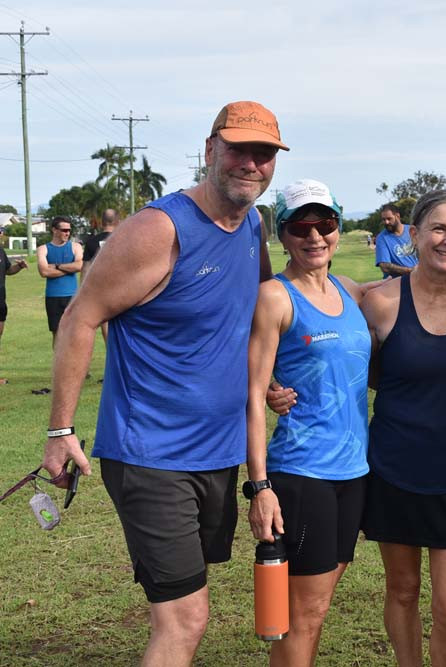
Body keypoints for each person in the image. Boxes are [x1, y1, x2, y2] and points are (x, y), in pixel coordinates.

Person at [40, 100, 287, 666]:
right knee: (184, 619)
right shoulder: (159, 229)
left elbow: (252, 309)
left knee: (184, 602)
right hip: (152, 454)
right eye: (239, 149)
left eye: (265, 153)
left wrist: (269, 380)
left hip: (217, 454)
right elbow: (81, 317)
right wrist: (60, 430)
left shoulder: (251, 225)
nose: (252, 164)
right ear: (209, 151)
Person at [361, 190, 446, 667]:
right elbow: (364, 372)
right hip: (393, 466)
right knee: (402, 590)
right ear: (415, 235)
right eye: (440, 229)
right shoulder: (379, 303)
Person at [246, 179, 369, 666]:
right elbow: (254, 396)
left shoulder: (350, 292)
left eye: (326, 224)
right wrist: (259, 487)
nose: (315, 236)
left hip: (353, 474)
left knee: (316, 611)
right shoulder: (275, 297)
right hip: (302, 474)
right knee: (303, 613)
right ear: (283, 234)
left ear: (338, 226)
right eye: (301, 226)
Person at [36, 216, 83, 345]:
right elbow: (44, 271)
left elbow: (79, 266)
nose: (67, 233)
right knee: (57, 333)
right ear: (54, 230)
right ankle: (59, 364)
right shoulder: (43, 249)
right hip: (53, 297)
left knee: (73, 332)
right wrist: (69, 267)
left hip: (72, 296)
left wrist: (56, 266)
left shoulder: (76, 247)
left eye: (69, 230)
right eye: (64, 230)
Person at [81, 208, 119, 342]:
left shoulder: (91, 242)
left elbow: (85, 268)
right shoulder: (125, 239)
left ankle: (110, 351)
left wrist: (82, 292)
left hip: (101, 289)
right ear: (117, 221)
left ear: (102, 222)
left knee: (106, 323)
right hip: (124, 287)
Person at [0, 227, 29, 384]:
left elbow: (7, 270)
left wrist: (19, 266)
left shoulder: (1, 251)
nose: (1, 234)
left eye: (1, 232)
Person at [374, 203, 419, 278]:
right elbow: (385, 266)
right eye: (384, 219)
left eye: (389, 219)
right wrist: (410, 270)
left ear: (397, 216)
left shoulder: (412, 231)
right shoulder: (382, 238)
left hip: (419, 279)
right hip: (396, 284)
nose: (386, 222)